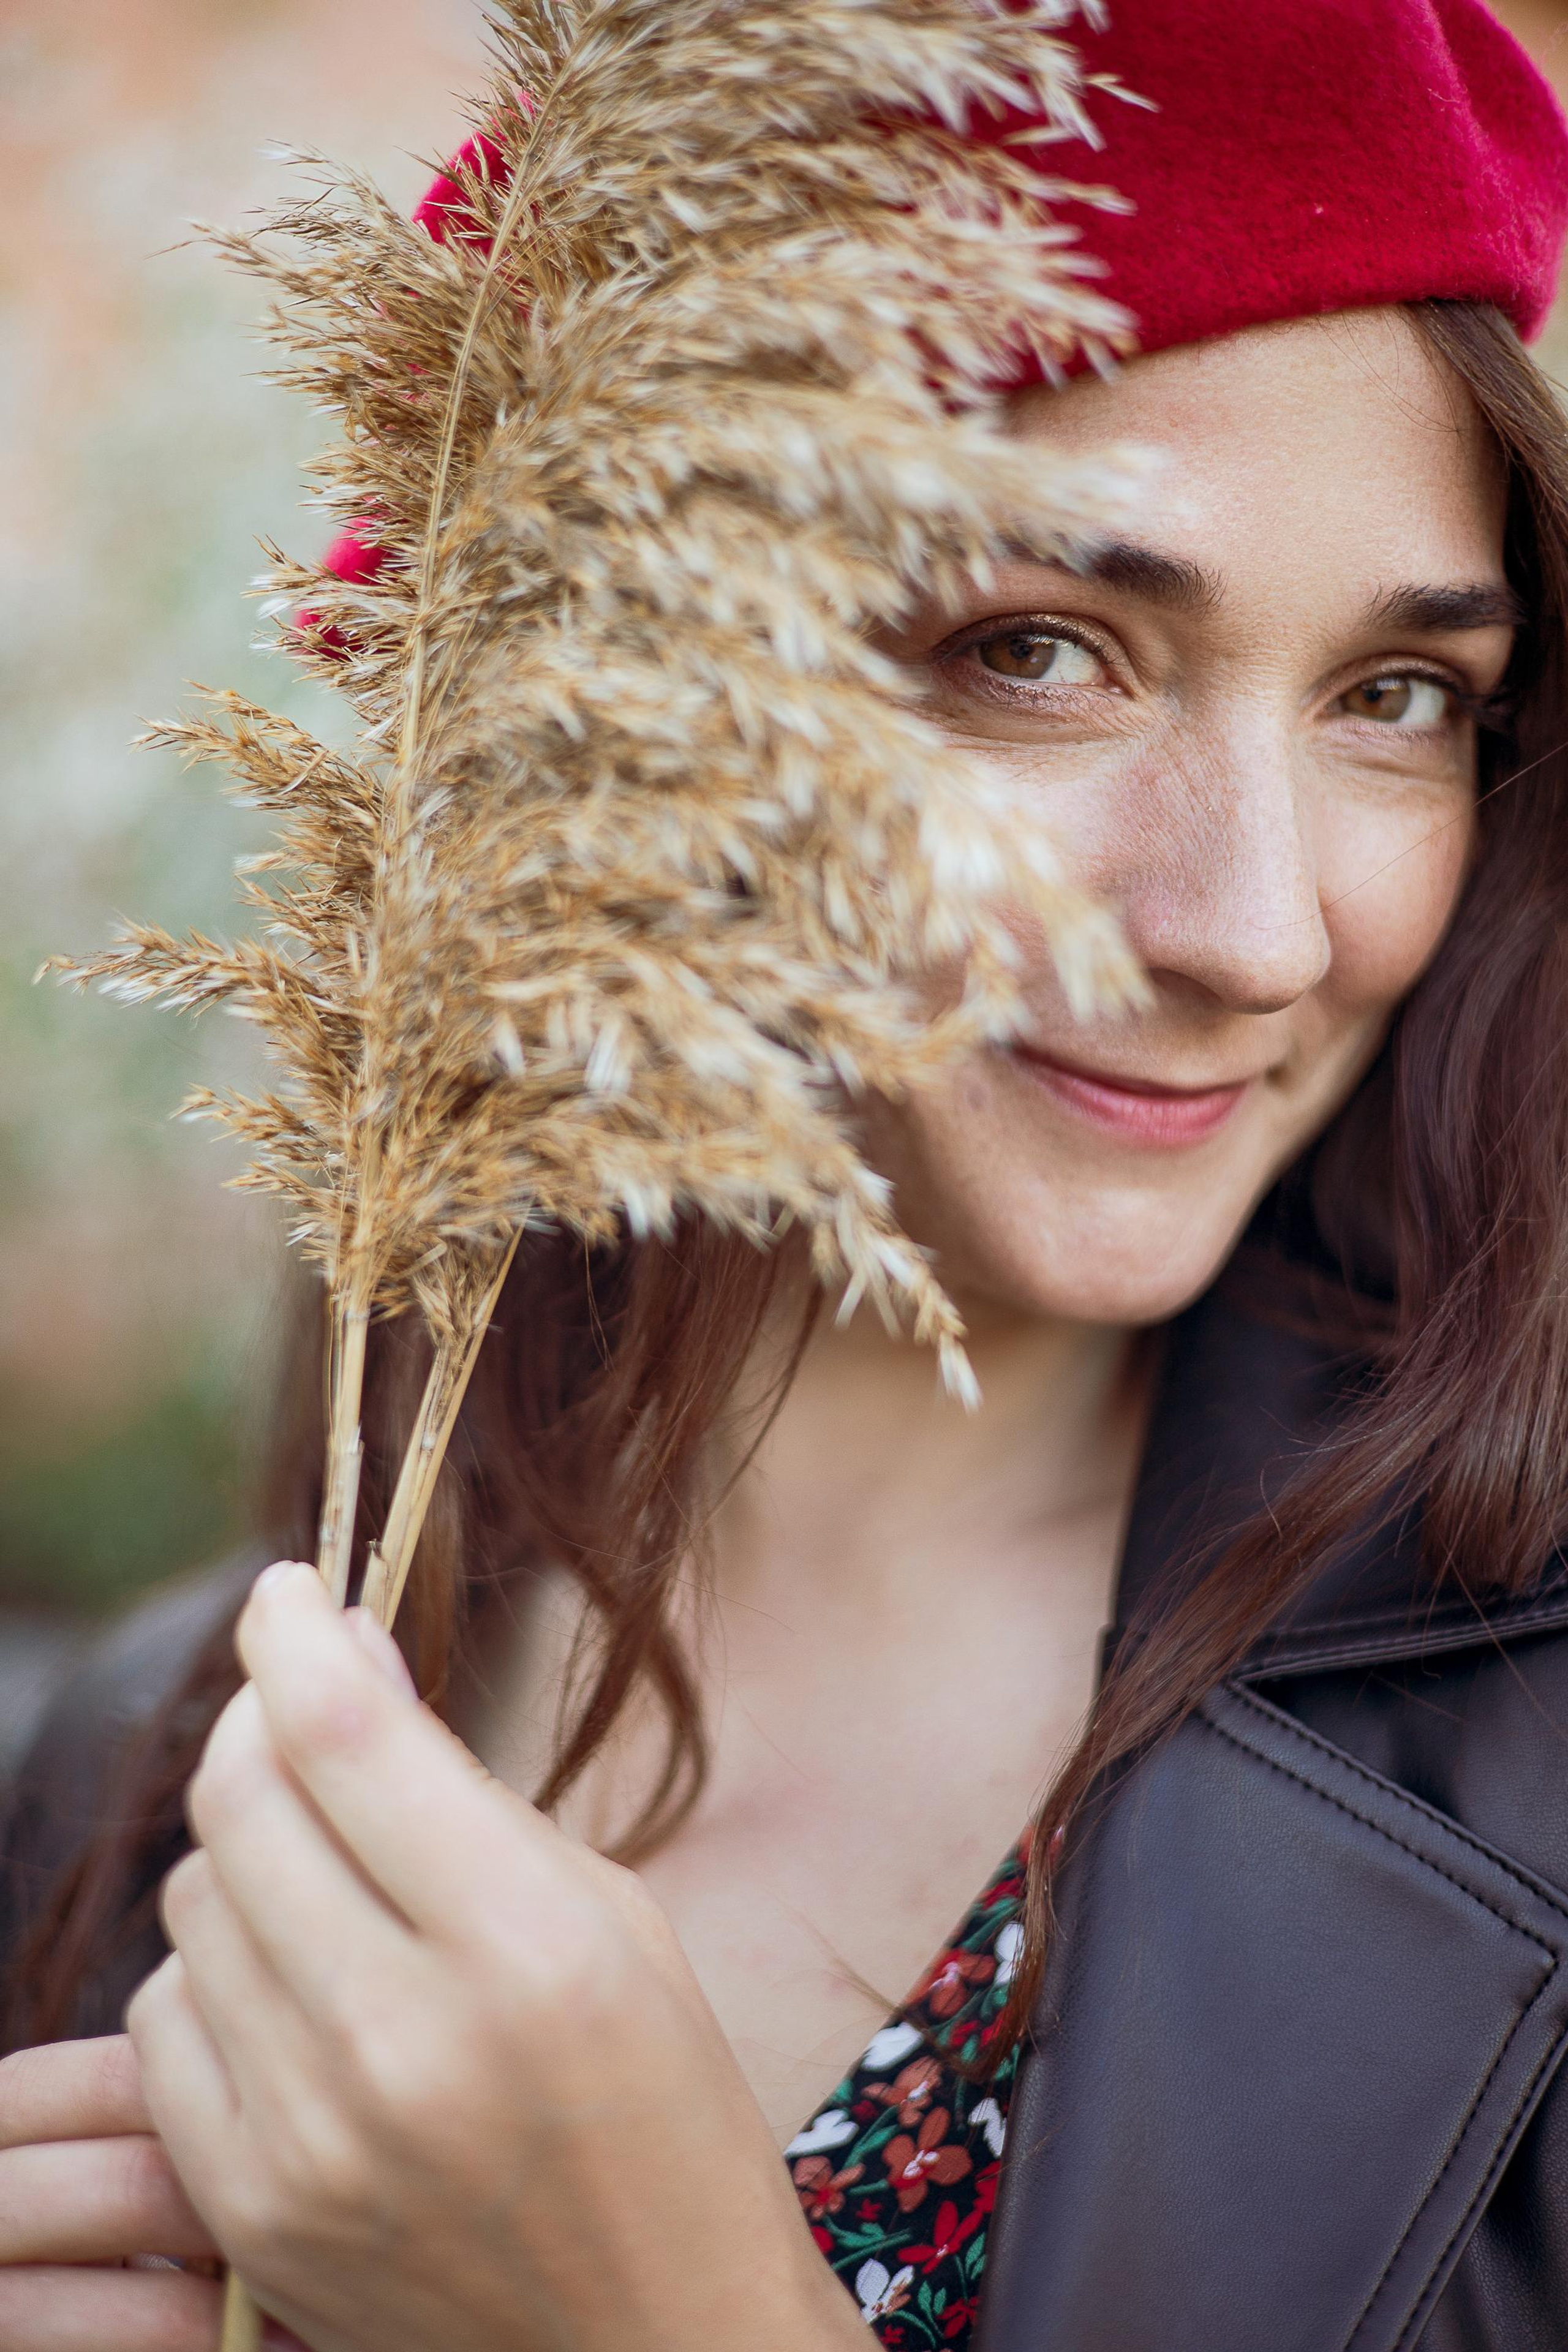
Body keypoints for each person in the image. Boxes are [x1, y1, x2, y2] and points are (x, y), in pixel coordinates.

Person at [4, 2, 1568, 2346]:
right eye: (1042, 652)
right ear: (618, 701)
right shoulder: (150, 1755)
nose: (1259, 926)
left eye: (1396, 698)